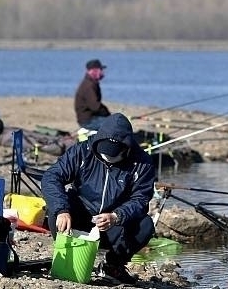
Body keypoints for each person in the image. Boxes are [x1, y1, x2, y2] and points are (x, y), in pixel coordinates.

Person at [41, 113, 156, 285]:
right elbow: (51, 177)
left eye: (114, 155)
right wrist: (62, 210)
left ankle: (113, 266)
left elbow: (140, 199)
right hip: (79, 216)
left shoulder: (142, 163)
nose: (108, 157)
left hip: (113, 223)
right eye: (104, 153)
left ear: (127, 148)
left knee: (146, 225)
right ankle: (67, 256)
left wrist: (117, 216)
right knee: (55, 209)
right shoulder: (82, 151)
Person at [74, 59, 111, 130]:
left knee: (114, 121)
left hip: (91, 117)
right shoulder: (89, 86)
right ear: (94, 71)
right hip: (88, 121)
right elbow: (95, 106)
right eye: (100, 70)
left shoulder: (91, 83)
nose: (102, 73)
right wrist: (107, 114)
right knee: (115, 125)